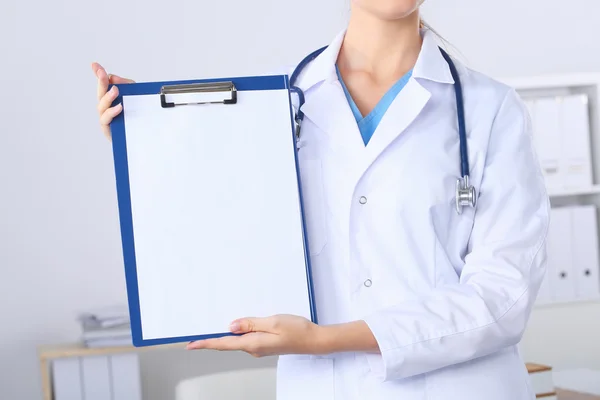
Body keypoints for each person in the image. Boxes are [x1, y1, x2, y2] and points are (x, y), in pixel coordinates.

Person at [92, 1, 549, 399]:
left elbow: (502, 298)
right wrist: (150, 134)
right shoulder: (271, 108)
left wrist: (323, 341)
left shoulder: (491, 110)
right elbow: (221, 223)